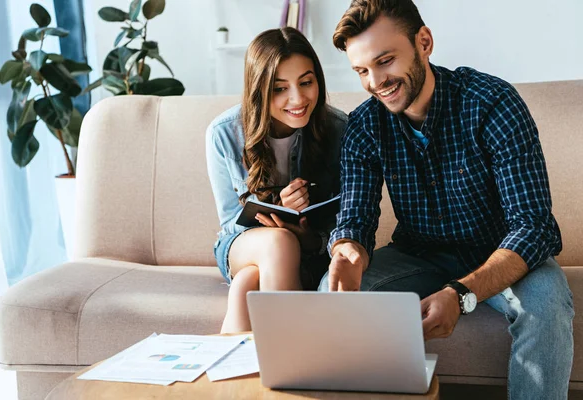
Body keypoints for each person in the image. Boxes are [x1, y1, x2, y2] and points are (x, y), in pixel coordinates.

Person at [319, 1, 574, 398]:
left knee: (546, 309)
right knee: (328, 291)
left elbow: (534, 226)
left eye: (385, 61)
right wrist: (347, 248)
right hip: (417, 255)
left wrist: (461, 293)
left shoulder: (492, 103)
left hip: (502, 253)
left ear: (424, 42)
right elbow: (355, 215)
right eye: (361, 71)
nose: (375, 81)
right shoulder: (365, 124)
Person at [206, 27, 347, 334]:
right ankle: (294, 364)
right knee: (278, 242)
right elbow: (230, 222)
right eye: (279, 89)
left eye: (306, 83)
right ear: (259, 89)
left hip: (310, 252)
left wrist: (305, 235)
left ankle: (237, 379)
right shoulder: (224, 133)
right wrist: (275, 211)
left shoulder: (338, 129)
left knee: (246, 284)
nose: (297, 98)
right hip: (243, 246)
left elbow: (343, 225)